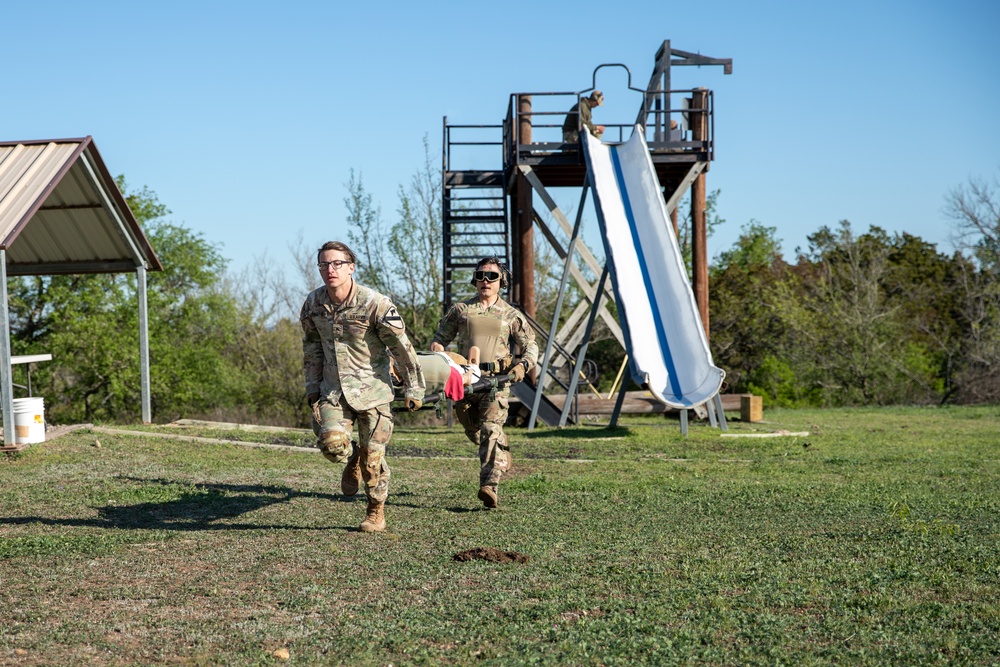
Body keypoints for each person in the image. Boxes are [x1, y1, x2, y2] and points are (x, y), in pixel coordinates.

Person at [300, 241, 424, 532]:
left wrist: (414, 388)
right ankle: (350, 455)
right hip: (333, 391)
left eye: (337, 264)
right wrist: (311, 386)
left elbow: (402, 347)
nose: (330, 270)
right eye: (324, 265)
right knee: (332, 446)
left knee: (373, 459)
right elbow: (311, 347)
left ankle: (375, 510)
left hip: (373, 392)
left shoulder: (375, 303)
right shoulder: (313, 304)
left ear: (351, 267)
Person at [430, 257, 538, 509]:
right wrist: (442, 357)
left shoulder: (511, 315)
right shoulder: (460, 310)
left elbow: (531, 345)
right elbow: (438, 341)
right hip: (466, 381)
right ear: (474, 280)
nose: (485, 281)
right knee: (473, 430)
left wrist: (523, 365)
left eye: (491, 276)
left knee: (490, 428)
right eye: (480, 276)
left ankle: (489, 485)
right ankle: (502, 447)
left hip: (496, 381)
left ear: (502, 281)